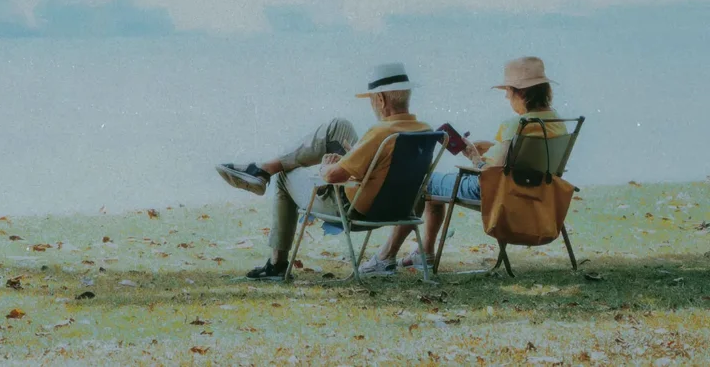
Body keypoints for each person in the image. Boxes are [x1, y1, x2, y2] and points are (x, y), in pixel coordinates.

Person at [215, 63, 431, 280]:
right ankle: (263, 169)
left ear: (381, 99)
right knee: (339, 126)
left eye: (372, 99)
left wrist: (326, 166)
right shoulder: (425, 132)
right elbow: (387, 171)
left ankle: (276, 264)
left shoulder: (381, 133)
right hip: (399, 207)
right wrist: (349, 160)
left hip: (352, 210)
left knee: (283, 177)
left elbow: (333, 176)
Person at [373, 56, 566, 272]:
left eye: (508, 91)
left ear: (522, 93)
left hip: (493, 190)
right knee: (434, 190)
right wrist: (492, 148)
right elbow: (526, 156)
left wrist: (474, 157)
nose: (506, 96)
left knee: (423, 182)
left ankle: (388, 255)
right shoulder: (556, 122)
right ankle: (423, 253)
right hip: (535, 188)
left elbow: (493, 172)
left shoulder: (517, 124)